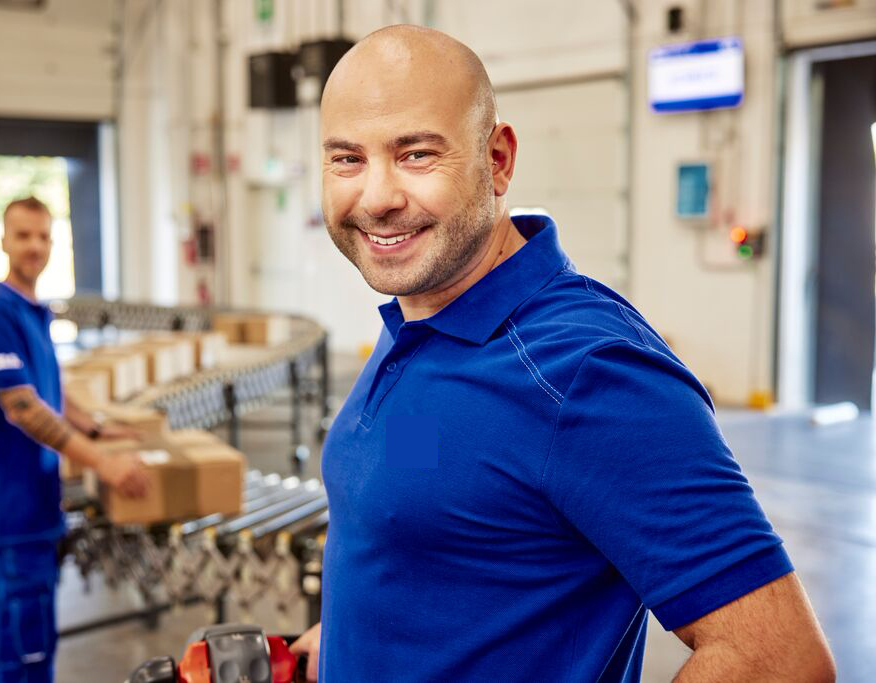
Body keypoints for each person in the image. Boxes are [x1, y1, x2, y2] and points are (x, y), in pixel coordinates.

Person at [290, 26, 835, 682]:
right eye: (348, 159)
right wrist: (354, 639)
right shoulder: (421, 309)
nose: (377, 196)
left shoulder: (584, 371)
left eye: (416, 155)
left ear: (497, 161)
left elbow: (777, 659)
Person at [0, 196, 151, 683]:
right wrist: (102, 463)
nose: (34, 246)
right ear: (4, 240)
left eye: (43, 236)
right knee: (28, 648)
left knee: (6, 629)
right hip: (12, 504)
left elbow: (50, 389)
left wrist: (100, 429)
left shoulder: (32, 312)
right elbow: (22, 406)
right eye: (23, 235)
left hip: (33, 501)